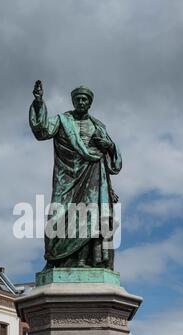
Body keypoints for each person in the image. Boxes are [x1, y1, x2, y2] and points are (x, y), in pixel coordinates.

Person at [29, 81, 122, 270]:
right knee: (58, 217)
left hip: (94, 176)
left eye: (85, 99)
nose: (81, 102)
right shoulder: (63, 120)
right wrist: (38, 103)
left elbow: (112, 160)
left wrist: (110, 147)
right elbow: (42, 130)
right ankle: (55, 259)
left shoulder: (99, 126)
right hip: (67, 177)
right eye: (78, 99)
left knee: (91, 217)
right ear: (73, 101)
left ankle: (83, 261)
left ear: (89, 103)